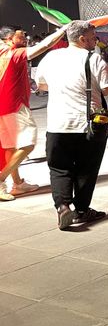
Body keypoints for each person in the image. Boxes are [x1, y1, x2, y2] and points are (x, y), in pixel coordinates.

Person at [35, 21, 108, 230]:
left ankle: (62, 207)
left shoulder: (51, 57)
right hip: (88, 124)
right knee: (86, 168)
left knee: (59, 168)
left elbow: (41, 85)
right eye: (93, 37)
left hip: (57, 124)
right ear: (82, 39)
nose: (95, 41)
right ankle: (81, 210)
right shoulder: (94, 58)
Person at [0, 24, 70, 201]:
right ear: (9, 39)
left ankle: (17, 184)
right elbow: (44, 46)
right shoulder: (14, 54)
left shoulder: (3, 53)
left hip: (4, 106)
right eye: (20, 36)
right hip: (15, 106)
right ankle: (1, 178)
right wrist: (63, 30)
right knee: (27, 144)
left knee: (10, 145)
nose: (25, 39)